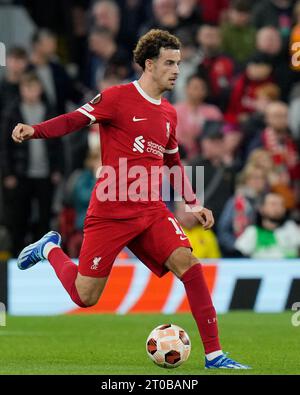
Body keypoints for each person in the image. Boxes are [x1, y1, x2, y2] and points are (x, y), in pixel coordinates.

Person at [11, 29, 249, 369]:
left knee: (191, 267)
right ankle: (50, 249)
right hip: (110, 210)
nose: (176, 70)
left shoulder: (169, 113)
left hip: (150, 209)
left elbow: (172, 163)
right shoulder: (116, 98)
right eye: (169, 63)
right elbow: (73, 120)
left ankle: (214, 355)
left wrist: (193, 202)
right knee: (85, 297)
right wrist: (35, 130)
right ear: (149, 65)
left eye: (179, 63)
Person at [0, 72, 63, 255]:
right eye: (27, 88)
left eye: (34, 88)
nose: (31, 92)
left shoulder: (49, 110)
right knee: (19, 217)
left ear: (40, 89)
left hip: (45, 173)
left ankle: (45, 255)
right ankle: (17, 255)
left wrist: (57, 168)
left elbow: (58, 142)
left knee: (45, 217)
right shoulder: (13, 111)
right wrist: (8, 173)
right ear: (21, 90)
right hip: (21, 174)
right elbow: (5, 146)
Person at [235, 192, 300, 258]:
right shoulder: (253, 231)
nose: (278, 208)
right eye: (273, 204)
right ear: (261, 208)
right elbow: (238, 255)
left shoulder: (292, 228)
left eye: (281, 204)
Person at [175, 74, 223, 160]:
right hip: (182, 156)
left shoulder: (213, 111)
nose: (198, 91)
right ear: (186, 88)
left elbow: (216, 135)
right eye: (195, 87)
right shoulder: (175, 110)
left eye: (202, 88)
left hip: (208, 157)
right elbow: (176, 137)